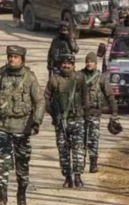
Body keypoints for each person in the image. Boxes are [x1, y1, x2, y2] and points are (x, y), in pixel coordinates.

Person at [0, 45, 45, 205]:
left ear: (22, 59)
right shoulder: (1, 76)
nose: (12, 59)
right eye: (10, 56)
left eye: (15, 56)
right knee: (2, 164)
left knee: (22, 164)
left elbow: (40, 101)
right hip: (2, 127)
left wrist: (37, 121)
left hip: (22, 128)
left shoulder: (30, 78)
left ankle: (21, 194)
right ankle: (2, 197)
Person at [44, 54, 90, 188]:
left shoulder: (80, 78)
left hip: (77, 120)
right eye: (64, 63)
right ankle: (67, 177)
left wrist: (85, 115)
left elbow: (85, 98)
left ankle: (78, 176)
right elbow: (46, 99)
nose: (66, 65)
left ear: (74, 65)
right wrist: (54, 114)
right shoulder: (54, 80)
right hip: (60, 122)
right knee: (63, 150)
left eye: (69, 63)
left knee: (78, 150)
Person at [78, 52, 121, 173]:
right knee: (80, 139)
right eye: (87, 61)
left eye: (91, 61)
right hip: (81, 113)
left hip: (94, 113)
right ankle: (80, 163)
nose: (89, 64)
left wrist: (114, 112)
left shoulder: (101, 78)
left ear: (96, 64)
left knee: (93, 138)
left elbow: (110, 96)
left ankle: (93, 164)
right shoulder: (79, 76)